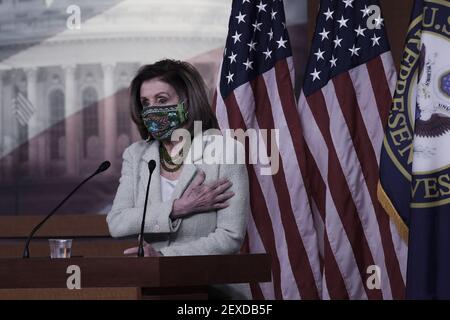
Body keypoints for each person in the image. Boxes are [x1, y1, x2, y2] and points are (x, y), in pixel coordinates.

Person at [107, 60, 250, 288]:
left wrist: (164, 258)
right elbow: (117, 223)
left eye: (162, 100)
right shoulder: (135, 154)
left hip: (210, 286)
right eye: (146, 103)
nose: (152, 109)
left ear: (186, 100)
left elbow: (230, 237)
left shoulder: (224, 151)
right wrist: (176, 209)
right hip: (149, 286)